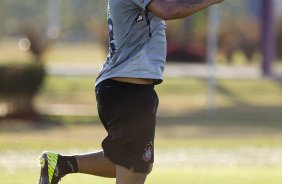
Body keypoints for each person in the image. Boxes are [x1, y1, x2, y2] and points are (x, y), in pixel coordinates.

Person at [38, 0, 224, 184]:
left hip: (127, 89)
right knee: (135, 167)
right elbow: (168, 10)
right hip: (128, 91)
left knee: (134, 162)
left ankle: (62, 165)